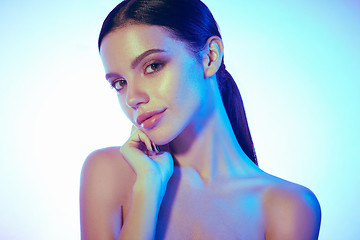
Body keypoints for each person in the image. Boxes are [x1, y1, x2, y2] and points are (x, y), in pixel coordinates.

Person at [80, 0, 321, 239]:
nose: (133, 98)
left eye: (153, 66)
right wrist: (147, 189)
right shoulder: (109, 172)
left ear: (210, 57)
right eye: (119, 83)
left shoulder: (289, 207)